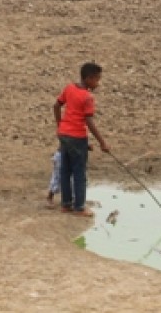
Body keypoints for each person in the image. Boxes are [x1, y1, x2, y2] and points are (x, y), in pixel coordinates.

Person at [53, 62, 110, 217]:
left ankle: (66, 204)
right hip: (76, 136)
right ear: (89, 78)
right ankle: (79, 207)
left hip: (64, 135)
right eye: (97, 79)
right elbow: (88, 121)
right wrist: (102, 142)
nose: (98, 83)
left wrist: (60, 127)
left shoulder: (69, 88)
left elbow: (56, 106)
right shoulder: (87, 97)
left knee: (65, 170)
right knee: (79, 173)